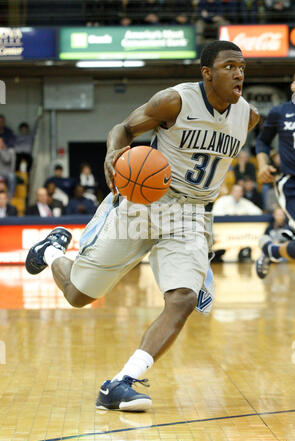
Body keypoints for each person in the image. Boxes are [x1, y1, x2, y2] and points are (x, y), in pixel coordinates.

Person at [25, 40, 259, 411]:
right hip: (146, 202)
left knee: (181, 299)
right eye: (230, 66)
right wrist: (113, 153)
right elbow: (123, 128)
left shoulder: (247, 117)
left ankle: (122, 381)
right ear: (207, 73)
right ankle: (52, 249)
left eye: (242, 67)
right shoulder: (174, 101)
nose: (239, 73)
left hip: (192, 214)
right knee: (79, 296)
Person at [255, 70, 295, 279]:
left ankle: (272, 248)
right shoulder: (280, 112)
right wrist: (263, 164)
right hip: (292, 184)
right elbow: (262, 141)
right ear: (294, 86)